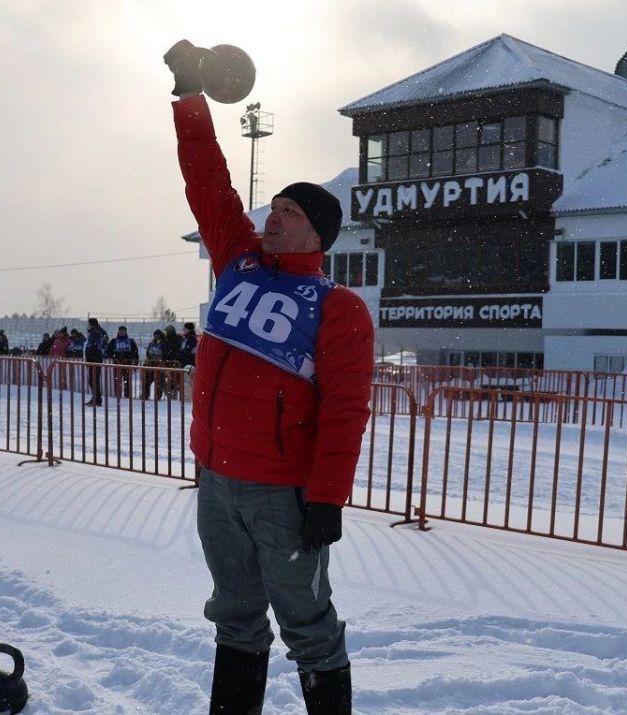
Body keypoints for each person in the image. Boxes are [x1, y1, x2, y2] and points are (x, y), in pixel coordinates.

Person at [166, 40, 374, 715]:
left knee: (309, 627)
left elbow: (346, 408)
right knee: (235, 616)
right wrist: (188, 95)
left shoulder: (339, 308)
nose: (271, 215)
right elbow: (207, 180)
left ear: (315, 232)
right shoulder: (238, 259)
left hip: (284, 495)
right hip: (218, 481)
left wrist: (328, 496)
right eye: (273, 207)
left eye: (286, 210)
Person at [106, 325, 139, 398]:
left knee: (127, 380)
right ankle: (117, 394)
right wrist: (114, 356)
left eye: (123, 331)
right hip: (116, 363)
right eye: (120, 331)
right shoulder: (113, 341)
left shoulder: (131, 341)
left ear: (125, 332)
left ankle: (127, 394)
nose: (121, 332)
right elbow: (108, 351)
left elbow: (135, 352)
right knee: (117, 380)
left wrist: (135, 362)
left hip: (127, 364)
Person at [84, 317, 108, 406]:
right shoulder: (96, 332)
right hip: (93, 359)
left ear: (92, 325)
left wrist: (91, 358)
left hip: (95, 360)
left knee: (94, 380)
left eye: (88, 324)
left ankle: (97, 400)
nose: (87, 326)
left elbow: (96, 347)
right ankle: (96, 398)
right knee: (93, 380)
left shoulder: (96, 333)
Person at [142, 329, 165, 400]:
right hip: (150, 365)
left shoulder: (163, 344)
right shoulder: (151, 344)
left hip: (159, 365)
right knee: (147, 380)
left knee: (159, 381)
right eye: (154, 335)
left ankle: (158, 396)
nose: (155, 336)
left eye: (157, 335)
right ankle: (145, 395)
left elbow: (164, 353)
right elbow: (148, 353)